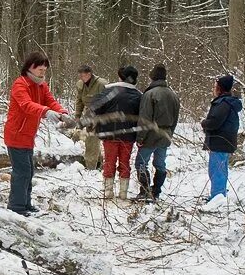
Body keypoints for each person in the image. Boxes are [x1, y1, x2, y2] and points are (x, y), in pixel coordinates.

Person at [4, 52, 70, 216]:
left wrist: (61, 112)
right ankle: (16, 206)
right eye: (40, 69)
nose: (42, 72)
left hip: (28, 136)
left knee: (29, 171)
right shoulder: (20, 84)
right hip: (16, 134)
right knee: (22, 171)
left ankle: (25, 203)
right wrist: (46, 112)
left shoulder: (41, 85)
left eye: (44, 69)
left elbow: (50, 101)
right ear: (30, 67)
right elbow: (26, 105)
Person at [90, 66, 142, 200]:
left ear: (121, 77)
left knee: (109, 161)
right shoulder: (138, 95)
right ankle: (123, 193)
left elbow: (95, 107)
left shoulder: (109, 91)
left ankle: (108, 191)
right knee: (125, 163)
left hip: (109, 134)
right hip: (129, 135)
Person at [135, 64, 180, 201]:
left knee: (140, 163)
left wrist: (140, 137)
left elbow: (145, 118)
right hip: (166, 133)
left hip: (151, 134)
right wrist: (170, 133)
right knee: (160, 164)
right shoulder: (173, 95)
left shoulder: (149, 94)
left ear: (152, 77)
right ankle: (156, 191)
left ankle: (145, 191)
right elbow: (175, 118)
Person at [201, 74, 242, 202]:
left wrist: (204, 123)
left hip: (219, 142)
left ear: (220, 88)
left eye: (216, 86)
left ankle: (217, 198)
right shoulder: (228, 102)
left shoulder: (223, 103)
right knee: (220, 170)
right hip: (223, 142)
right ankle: (219, 195)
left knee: (216, 171)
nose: (214, 88)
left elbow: (214, 122)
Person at [74, 65, 108, 170]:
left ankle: (90, 167)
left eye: (83, 76)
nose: (81, 78)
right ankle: (97, 164)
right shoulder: (80, 84)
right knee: (91, 139)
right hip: (88, 113)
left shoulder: (102, 84)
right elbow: (79, 101)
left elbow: (108, 102)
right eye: (80, 76)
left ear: (89, 74)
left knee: (92, 139)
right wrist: (78, 116)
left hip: (101, 114)